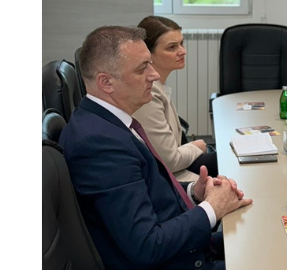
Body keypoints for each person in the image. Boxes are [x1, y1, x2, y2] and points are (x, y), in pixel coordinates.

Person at [59, 26, 252, 270]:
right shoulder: (99, 144)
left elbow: (146, 190)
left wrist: (194, 192)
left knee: (261, 237)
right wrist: (212, 208)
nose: (153, 75)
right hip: (175, 261)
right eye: (142, 69)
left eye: (150, 64)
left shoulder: (108, 123)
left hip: (183, 248)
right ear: (106, 82)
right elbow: (147, 246)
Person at [133, 15, 217, 182]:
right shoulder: (147, 94)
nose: (183, 51)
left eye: (181, 43)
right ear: (147, 54)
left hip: (179, 165)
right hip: (171, 178)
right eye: (172, 47)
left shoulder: (158, 85)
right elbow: (170, 161)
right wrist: (195, 147)